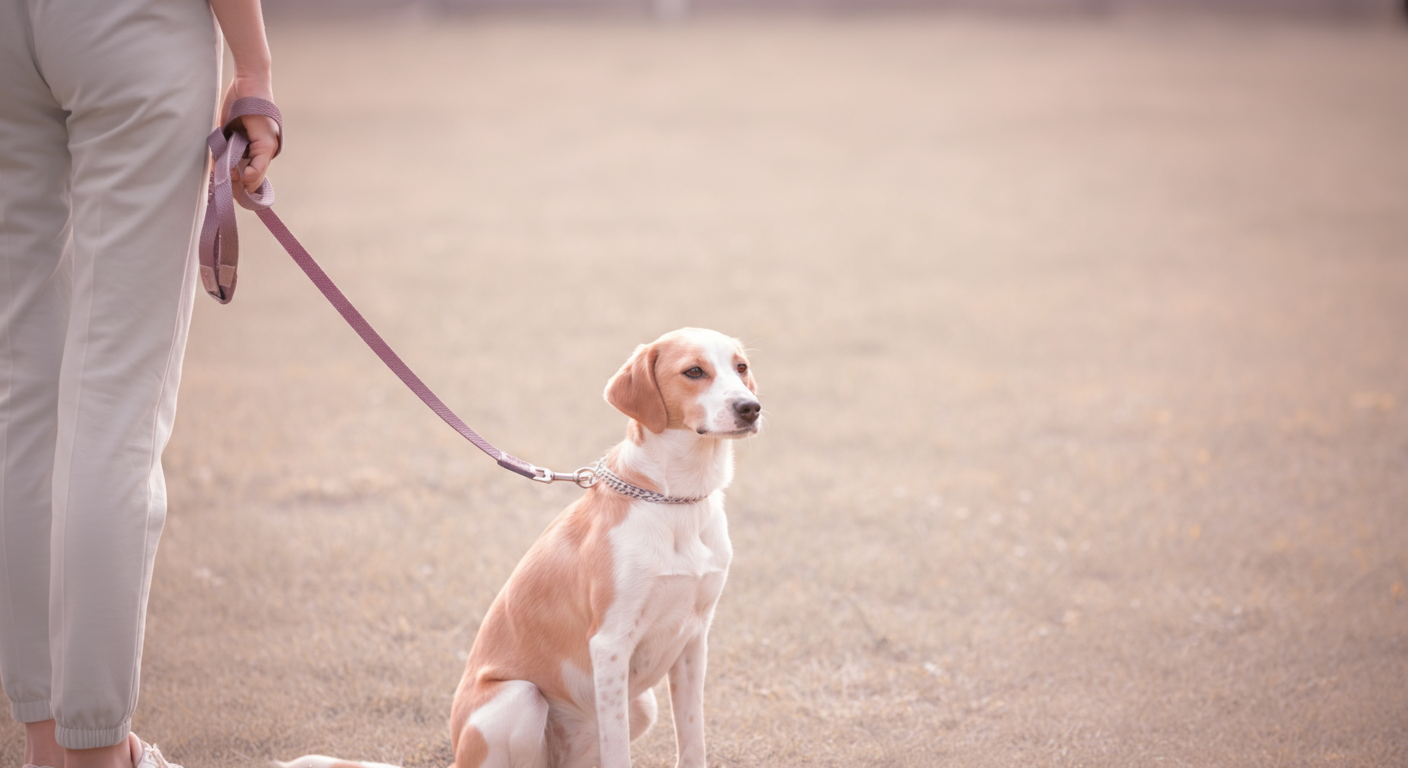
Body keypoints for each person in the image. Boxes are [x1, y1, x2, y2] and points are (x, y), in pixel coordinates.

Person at [0, 0, 281, 766]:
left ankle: (49, 746)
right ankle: (98, 756)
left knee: (26, 394)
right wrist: (252, 70)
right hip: (127, 26)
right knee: (113, 406)